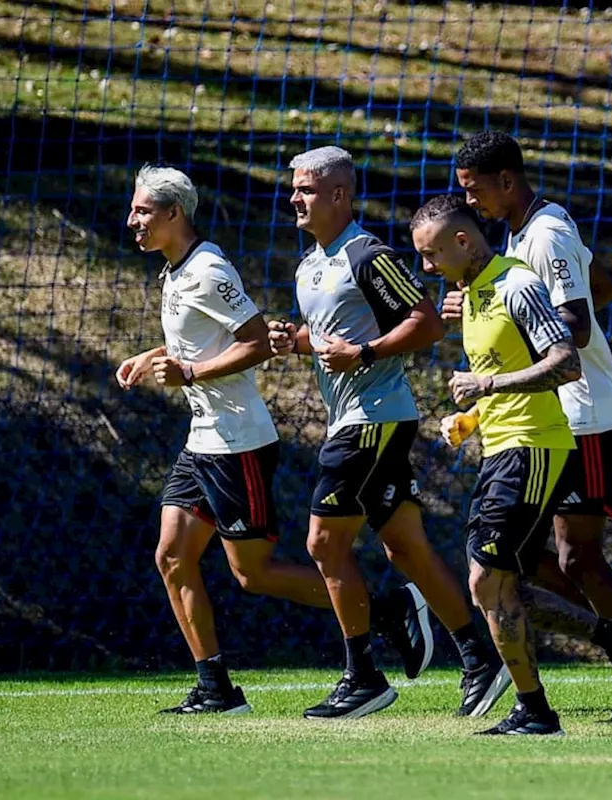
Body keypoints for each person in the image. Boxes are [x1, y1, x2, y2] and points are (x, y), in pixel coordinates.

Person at [115, 165, 422, 715]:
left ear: (173, 214)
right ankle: (216, 688)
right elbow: (201, 349)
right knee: (171, 556)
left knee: (252, 573)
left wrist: (186, 373)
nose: (131, 220)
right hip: (202, 442)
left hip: (238, 444)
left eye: (141, 211)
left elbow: (256, 343)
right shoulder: (175, 271)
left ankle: (382, 614)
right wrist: (156, 358)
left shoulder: (209, 269)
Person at [412, 194, 612, 733]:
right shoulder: (473, 295)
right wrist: (469, 419)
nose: (427, 266)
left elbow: (564, 360)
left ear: (462, 242)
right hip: (503, 448)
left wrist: (485, 385)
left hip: (536, 448)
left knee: (493, 579)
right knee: (500, 581)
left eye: (431, 254)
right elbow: (502, 371)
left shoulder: (516, 283)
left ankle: (541, 704)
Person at [266, 147, 510, 720]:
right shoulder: (311, 265)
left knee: (323, 544)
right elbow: (336, 336)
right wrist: (297, 340)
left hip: (373, 420)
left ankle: (364, 677)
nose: (294, 198)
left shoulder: (367, 256)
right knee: (405, 546)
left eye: (305, 189)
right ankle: (480, 658)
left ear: (338, 195)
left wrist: (365, 352)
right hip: (359, 420)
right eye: (293, 188)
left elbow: (424, 322)